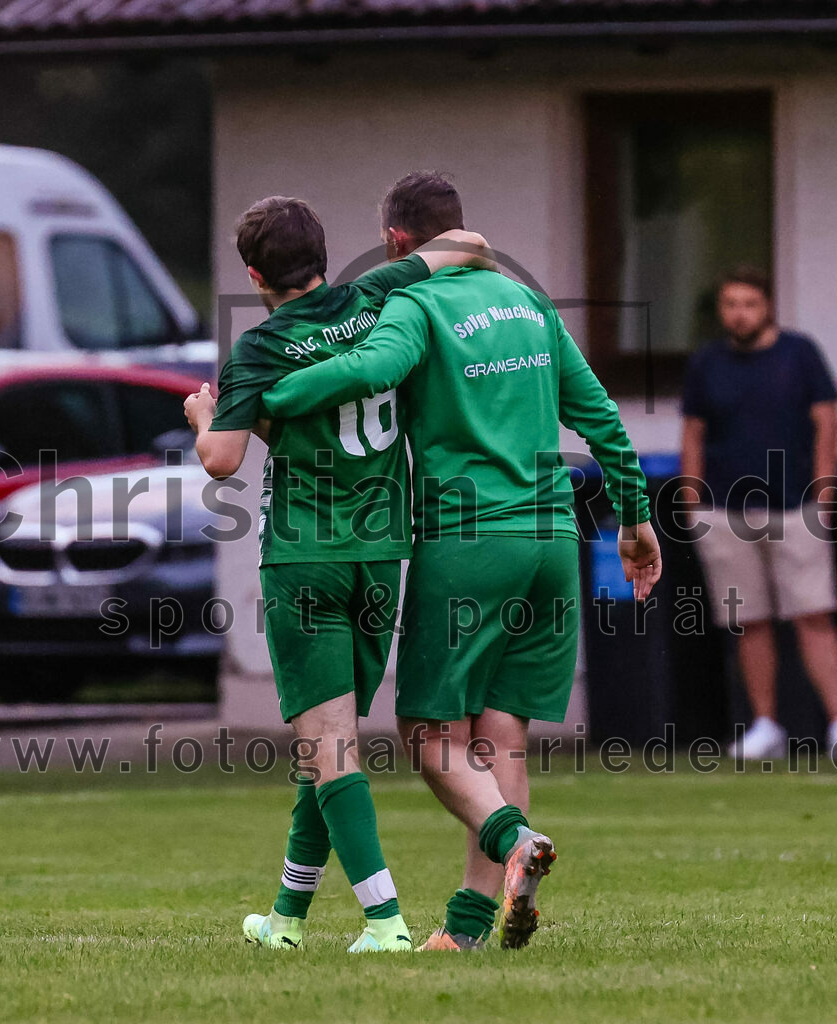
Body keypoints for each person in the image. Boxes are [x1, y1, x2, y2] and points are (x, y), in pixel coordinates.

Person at [260, 172, 662, 951]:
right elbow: (601, 416)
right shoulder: (525, 301)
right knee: (500, 731)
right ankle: (471, 924)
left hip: (471, 540)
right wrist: (636, 521)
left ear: (397, 243)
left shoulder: (412, 304)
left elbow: (370, 373)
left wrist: (261, 397)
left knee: (428, 731)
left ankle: (513, 838)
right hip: (553, 540)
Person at [184, 195, 489, 952]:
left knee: (328, 745)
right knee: (329, 744)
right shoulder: (374, 295)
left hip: (306, 557)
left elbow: (221, 461)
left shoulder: (258, 348)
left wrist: (203, 418)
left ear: (254, 273)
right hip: (382, 554)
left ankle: (383, 921)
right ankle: (285, 919)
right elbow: (470, 243)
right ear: (321, 255)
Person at [680, 266, 837, 760]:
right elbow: (694, 432)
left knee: (813, 613)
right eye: (729, 304)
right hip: (724, 510)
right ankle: (766, 725)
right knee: (749, 621)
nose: (738, 314)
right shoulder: (707, 364)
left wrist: (824, 494)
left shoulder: (799, 354)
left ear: (767, 306)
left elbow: (826, 422)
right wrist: (691, 497)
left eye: (748, 303)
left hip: (795, 507)